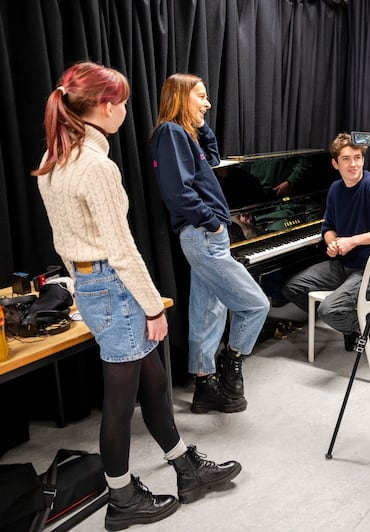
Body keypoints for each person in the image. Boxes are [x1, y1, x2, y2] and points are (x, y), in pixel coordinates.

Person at [33, 62, 241, 531]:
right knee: (122, 399)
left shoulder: (54, 159)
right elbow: (121, 247)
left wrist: (84, 288)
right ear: (106, 107)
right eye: (123, 102)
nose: (126, 110)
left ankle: (185, 467)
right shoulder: (95, 166)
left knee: (152, 379)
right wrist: (152, 306)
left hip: (91, 284)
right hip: (114, 284)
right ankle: (122, 497)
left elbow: (65, 242)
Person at [151, 73, 270, 414]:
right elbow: (178, 192)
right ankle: (231, 365)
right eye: (200, 96)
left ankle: (204, 387)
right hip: (203, 234)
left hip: (206, 235)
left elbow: (214, 161)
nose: (207, 102)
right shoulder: (170, 133)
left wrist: (201, 125)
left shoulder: (185, 134)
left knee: (208, 312)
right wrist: (214, 223)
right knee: (255, 305)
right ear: (179, 97)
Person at [283, 133, 370, 352]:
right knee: (293, 289)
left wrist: (352, 241)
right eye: (346, 159)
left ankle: (364, 324)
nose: (353, 164)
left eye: (357, 157)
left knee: (328, 311)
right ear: (335, 163)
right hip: (343, 266)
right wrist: (332, 243)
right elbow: (328, 228)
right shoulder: (336, 189)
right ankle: (357, 323)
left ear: (363, 159)